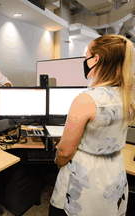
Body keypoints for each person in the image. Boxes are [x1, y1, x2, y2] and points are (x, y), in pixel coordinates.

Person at [49, 34, 135, 216]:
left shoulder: (86, 100)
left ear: (95, 59)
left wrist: (58, 162)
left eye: (87, 55)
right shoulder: (128, 97)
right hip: (114, 175)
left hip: (84, 182)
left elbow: (64, 151)